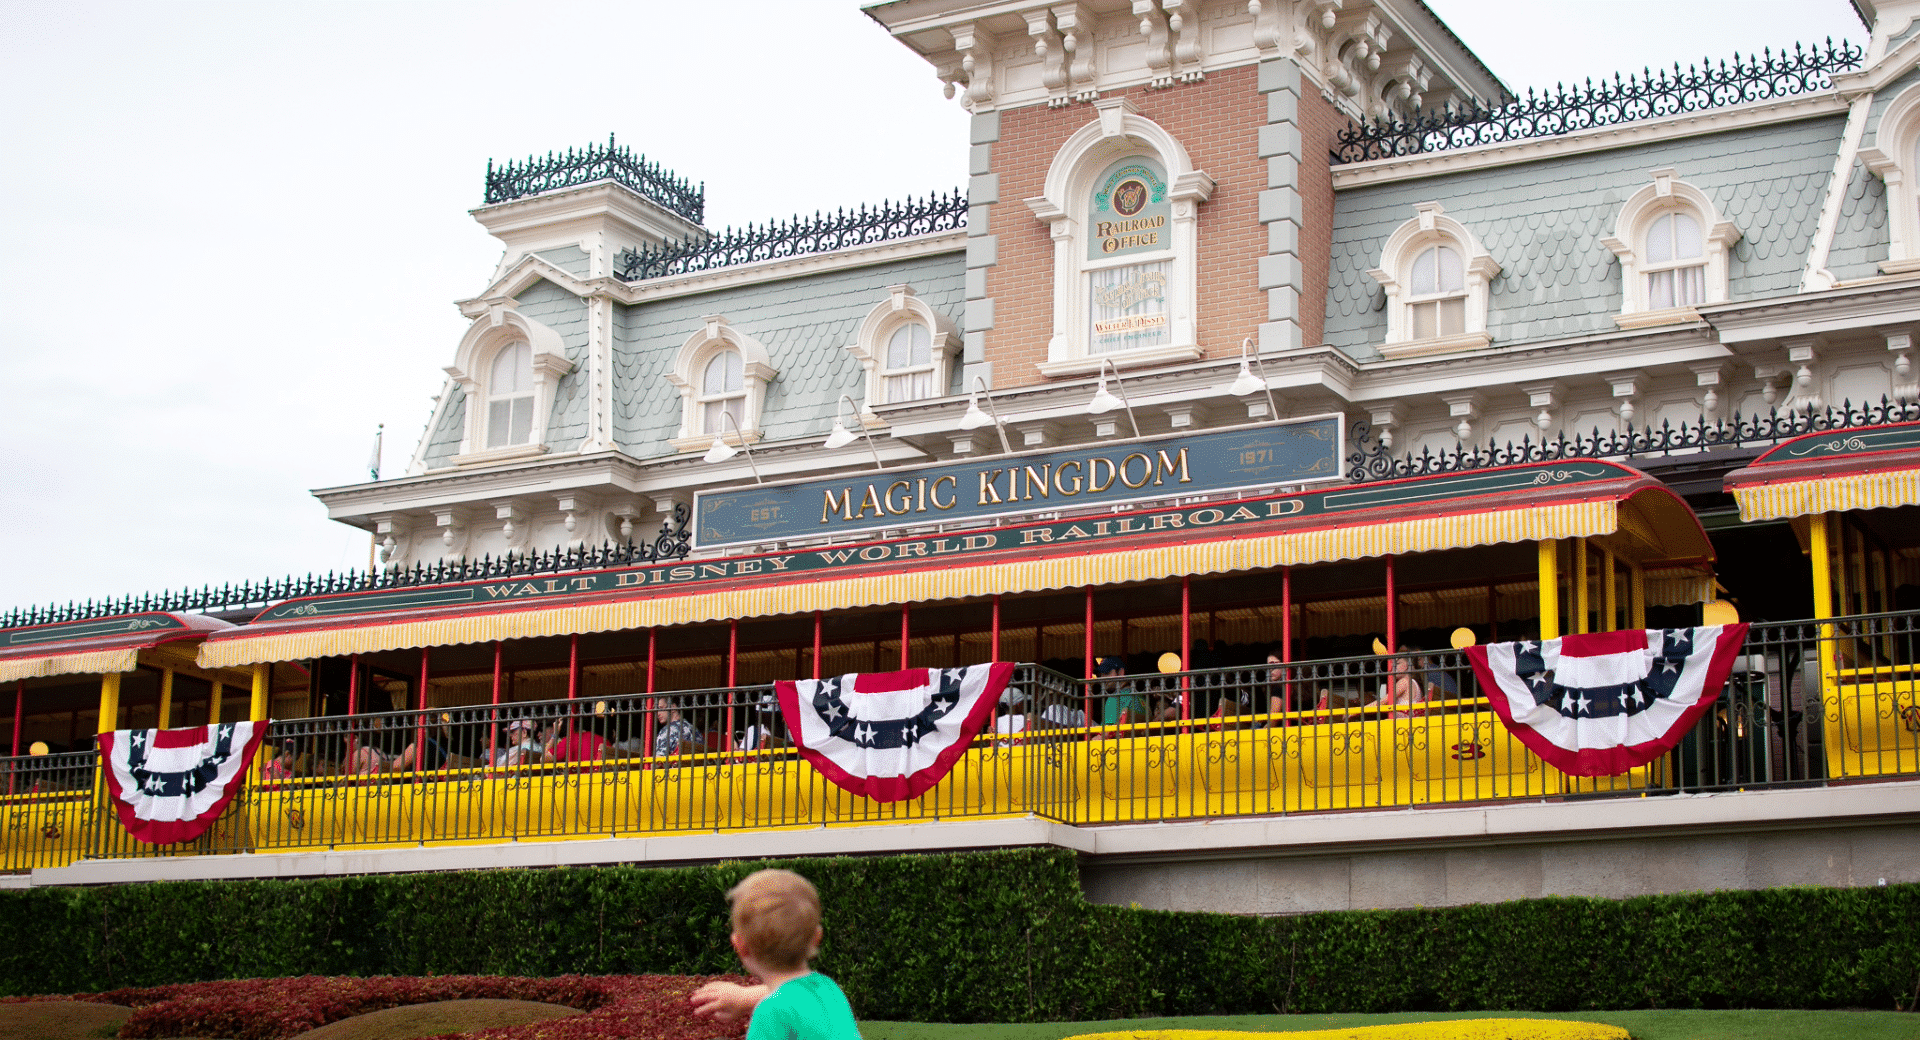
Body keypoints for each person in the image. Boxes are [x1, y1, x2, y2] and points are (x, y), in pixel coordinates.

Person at [689, 868, 860, 1040]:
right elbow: (795, 996)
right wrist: (742, 998)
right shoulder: (827, 988)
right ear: (816, 937)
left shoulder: (770, 1013)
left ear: (740, 946)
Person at [1096, 657, 1147, 727]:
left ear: (1121, 672)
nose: (1102, 678)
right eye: (1101, 674)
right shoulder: (1141, 698)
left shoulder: (1114, 699)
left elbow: (1107, 731)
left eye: (1107, 672)